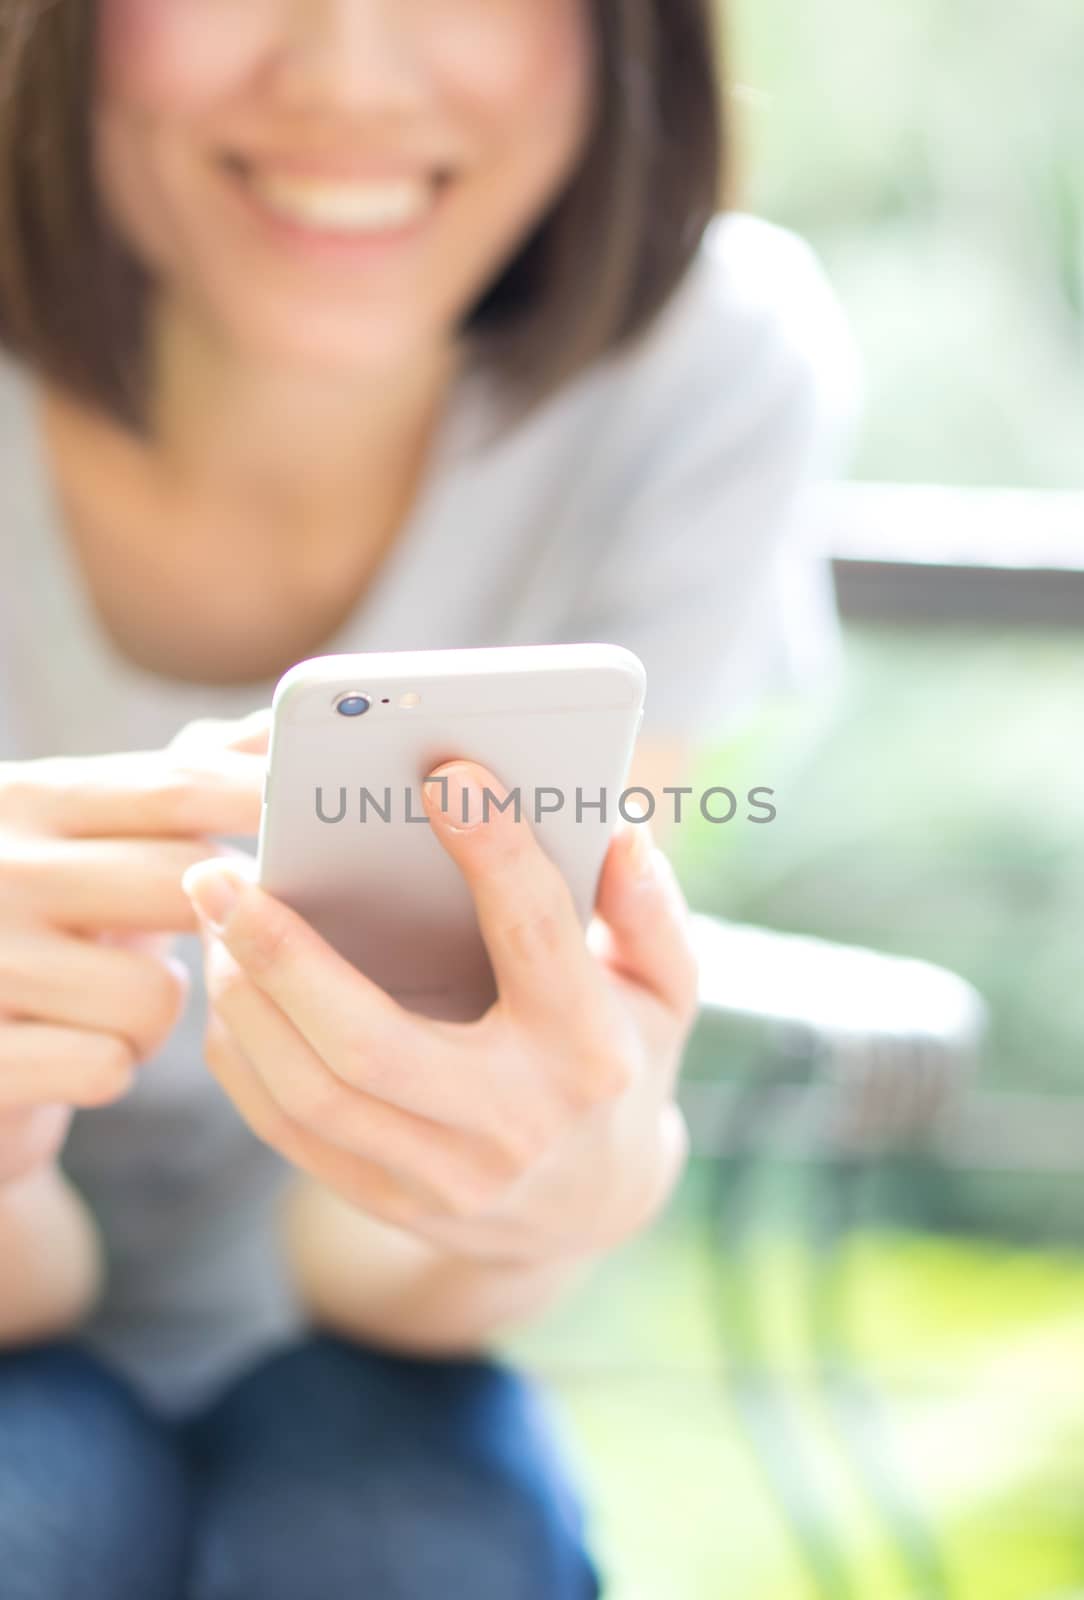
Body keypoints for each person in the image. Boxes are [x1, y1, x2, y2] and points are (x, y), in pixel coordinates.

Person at [0, 1, 857, 1596]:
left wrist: (571, 1176)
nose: (348, 72)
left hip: (370, 1328)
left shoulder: (706, 365)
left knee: (408, 1533)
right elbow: (25, 1294)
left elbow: (376, 1273)